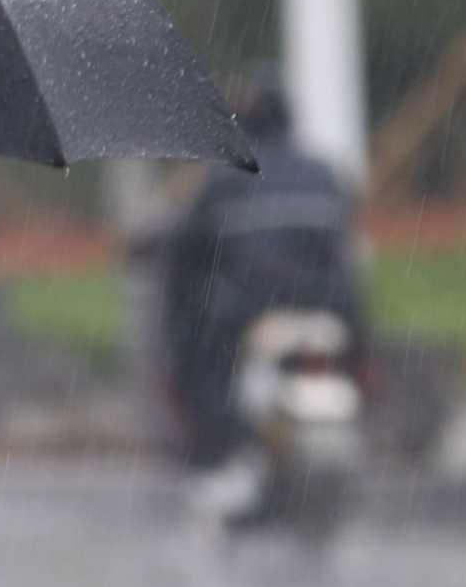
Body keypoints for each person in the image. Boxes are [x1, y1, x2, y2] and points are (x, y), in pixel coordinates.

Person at [156, 75, 369, 474]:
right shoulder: (325, 175)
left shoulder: (224, 179)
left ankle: (216, 448)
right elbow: (345, 251)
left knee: (200, 354)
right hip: (329, 305)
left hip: (250, 309)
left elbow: (185, 250)